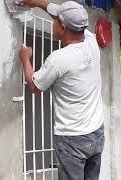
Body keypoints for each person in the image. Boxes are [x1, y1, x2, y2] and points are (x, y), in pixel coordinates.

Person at [18, 0, 104, 179]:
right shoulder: (91, 41)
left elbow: (34, 86)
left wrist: (25, 59)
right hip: (96, 133)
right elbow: (60, 15)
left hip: (72, 138)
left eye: (55, 20)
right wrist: (32, 2)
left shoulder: (59, 59)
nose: (52, 22)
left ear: (63, 27)